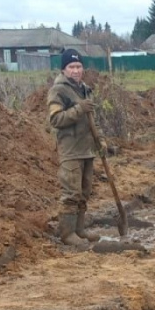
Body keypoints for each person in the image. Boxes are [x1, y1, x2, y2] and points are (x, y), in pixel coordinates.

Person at [47, 49, 107, 246]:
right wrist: (78, 109)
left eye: (78, 66)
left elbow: (92, 120)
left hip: (87, 149)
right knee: (71, 193)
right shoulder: (59, 90)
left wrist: (100, 141)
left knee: (84, 192)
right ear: (64, 69)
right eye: (71, 67)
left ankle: (79, 230)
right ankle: (67, 234)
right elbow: (55, 119)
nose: (76, 70)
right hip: (71, 150)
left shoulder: (84, 89)